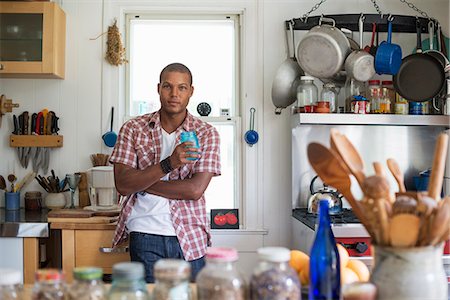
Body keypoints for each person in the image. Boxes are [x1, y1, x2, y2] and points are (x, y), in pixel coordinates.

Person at [110, 62, 221, 283]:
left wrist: (140, 181)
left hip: (191, 235)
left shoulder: (207, 133)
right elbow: (122, 184)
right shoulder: (132, 129)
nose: (174, 94)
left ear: (191, 91)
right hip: (144, 232)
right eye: (168, 86)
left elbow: (194, 190)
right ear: (158, 88)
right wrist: (168, 164)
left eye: (182, 88)